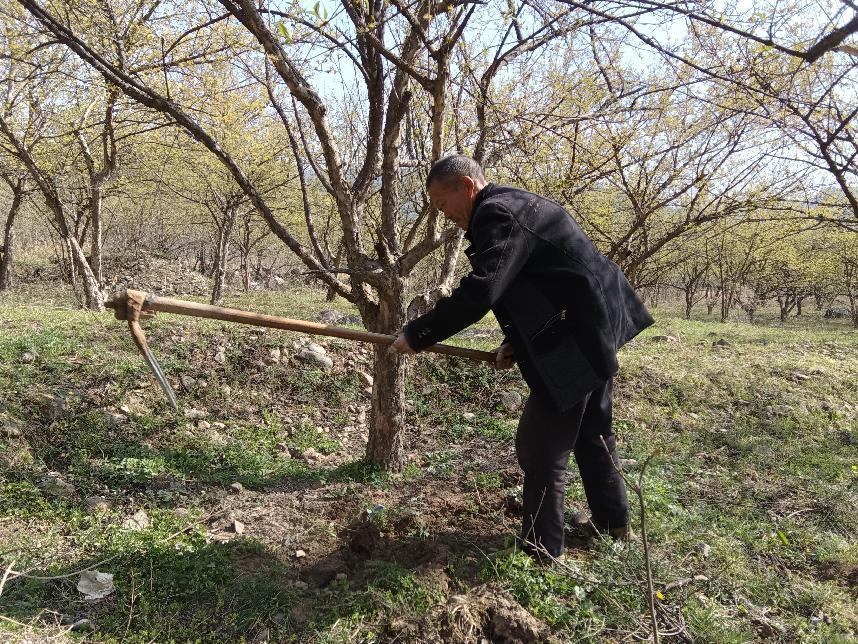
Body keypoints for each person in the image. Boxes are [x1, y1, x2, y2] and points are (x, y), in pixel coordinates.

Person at [391, 155, 654, 559]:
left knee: (541, 446)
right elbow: (538, 280)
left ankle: (542, 549)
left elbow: (484, 290)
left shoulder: (495, 213)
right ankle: (614, 524)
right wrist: (516, 343)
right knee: (593, 431)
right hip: (596, 322)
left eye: (443, 204)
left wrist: (418, 333)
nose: (444, 216)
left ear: (466, 185)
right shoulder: (514, 205)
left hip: (579, 337)